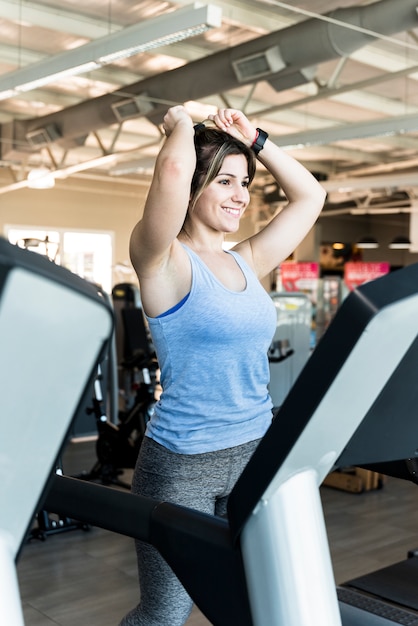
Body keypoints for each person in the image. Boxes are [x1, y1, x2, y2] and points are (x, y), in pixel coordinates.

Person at [119, 106, 326, 626]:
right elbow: (169, 172)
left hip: (256, 452)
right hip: (182, 463)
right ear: (193, 188)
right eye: (225, 182)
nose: (241, 194)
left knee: (260, 601)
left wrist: (254, 138)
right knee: (165, 614)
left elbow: (311, 196)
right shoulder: (162, 261)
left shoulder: (247, 260)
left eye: (246, 183)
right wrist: (181, 123)